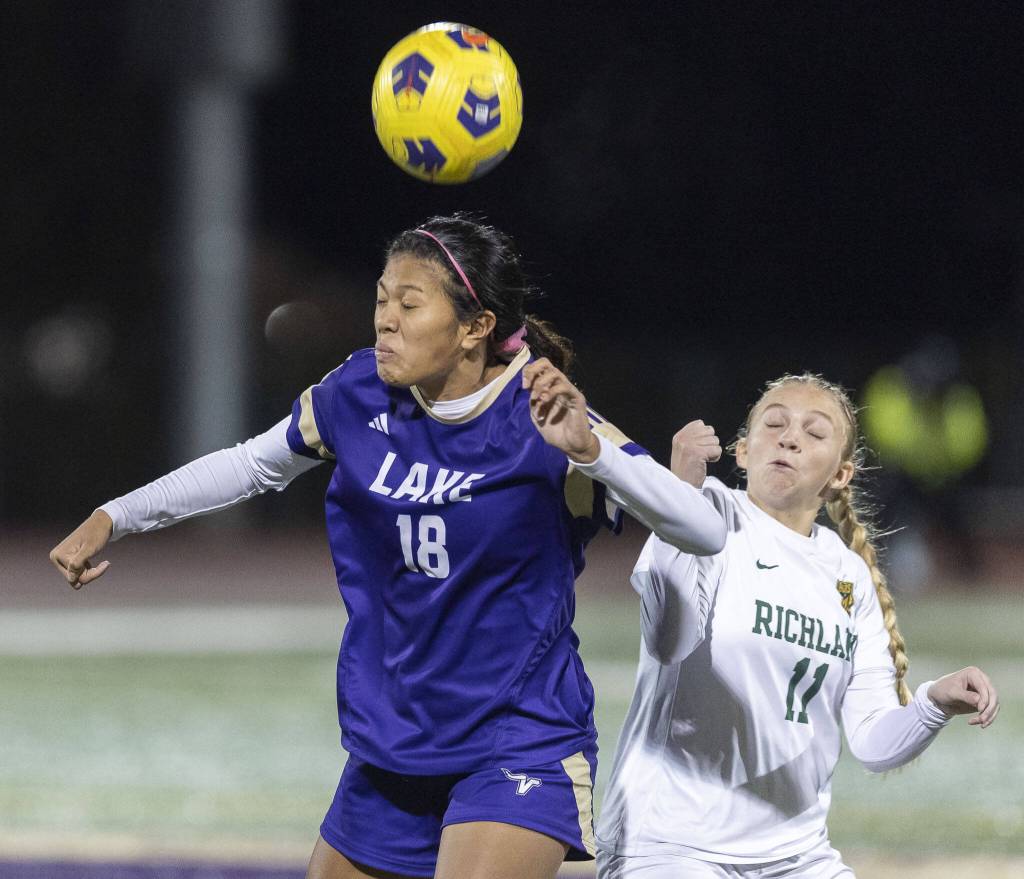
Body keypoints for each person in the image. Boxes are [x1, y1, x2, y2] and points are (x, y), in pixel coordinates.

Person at [50, 214, 727, 879]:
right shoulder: (357, 392)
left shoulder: (542, 414)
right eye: (380, 299)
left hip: (515, 739)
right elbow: (250, 464)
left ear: (475, 327)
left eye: (409, 303)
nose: (385, 319)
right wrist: (115, 515)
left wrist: (593, 452)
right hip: (393, 740)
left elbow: (701, 529)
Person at [595, 373, 1000, 879]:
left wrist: (933, 704)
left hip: (797, 857)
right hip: (672, 846)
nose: (790, 437)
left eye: (814, 432)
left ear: (840, 476)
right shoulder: (707, 512)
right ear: (742, 452)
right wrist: (679, 498)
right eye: (775, 423)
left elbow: (873, 743)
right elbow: (667, 641)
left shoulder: (848, 572)